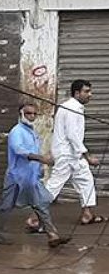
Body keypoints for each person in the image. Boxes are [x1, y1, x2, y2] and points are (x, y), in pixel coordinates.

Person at [0, 103, 70, 248]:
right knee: (7, 206)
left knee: (41, 205)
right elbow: (19, 150)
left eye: (34, 114)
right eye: (28, 113)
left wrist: (39, 168)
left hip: (30, 178)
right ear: (21, 114)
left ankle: (52, 235)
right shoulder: (17, 132)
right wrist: (41, 159)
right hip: (16, 177)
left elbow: (35, 151)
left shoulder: (32, 132)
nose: (32, 116)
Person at [42, 80, 103, 225]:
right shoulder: (70, 108)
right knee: (53, 186)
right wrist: (87, 156)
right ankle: (33, 218)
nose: (90, 95)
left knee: (86, 180)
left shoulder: (75, 108)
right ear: (77, 93)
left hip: (74, 156)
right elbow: (72, 135)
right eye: (86, 91)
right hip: (66, 155)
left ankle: (87, 214)